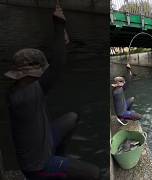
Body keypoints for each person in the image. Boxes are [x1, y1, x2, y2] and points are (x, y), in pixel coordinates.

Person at [4, 5, 100, 180]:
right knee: (93, 173)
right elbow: (57, 67)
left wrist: (61, 41)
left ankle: (60, 158)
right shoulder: (28, 94)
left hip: (44, 143)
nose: (40, 75)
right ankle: (55, 169)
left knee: (71, 117)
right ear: (28, 75)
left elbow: (55, 64)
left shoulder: (19, 89)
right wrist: (59, 24)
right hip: (39, 165)